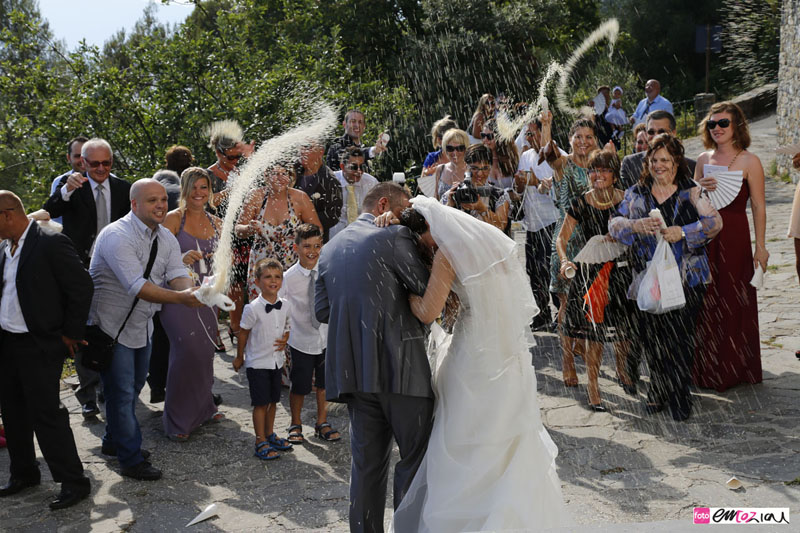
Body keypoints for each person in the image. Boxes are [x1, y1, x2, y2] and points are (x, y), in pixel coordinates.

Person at [390, 196, 570, 532]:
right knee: (504, 433)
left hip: (473, 353)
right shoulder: (487, 242)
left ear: (431, 227)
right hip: (508, 354)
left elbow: (430, 311)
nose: (424, 247)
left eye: (422, 239)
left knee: (463, 428)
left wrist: (408, 296)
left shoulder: (447, 253)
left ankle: (470, 516)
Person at [315, 182, 432, 532]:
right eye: (404, 210)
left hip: (354, 372)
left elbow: (323, 311)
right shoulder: (394, 236)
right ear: (384, 204)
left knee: (366, 467)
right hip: (403, 369)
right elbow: (427, 289)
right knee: (415, 460)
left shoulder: (329, 248)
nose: (407, 219)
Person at [89, 179, 203, 480]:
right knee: (122, 393)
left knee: (133, 388)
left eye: (163, 199)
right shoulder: (116, 236)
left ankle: (114, 442)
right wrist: (182, 298)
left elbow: (177, 274)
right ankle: (131, 458)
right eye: (152, 200)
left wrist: (194, 292)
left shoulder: (165, 236)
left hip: (142, 325)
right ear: (134, 204)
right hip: (110, 328)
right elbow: (136, 286)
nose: (160, 205)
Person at [609, 134, 722, 421]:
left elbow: (714, 223)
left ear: (677, 163)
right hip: (649, 278)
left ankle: (680, 395)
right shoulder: (637, 192)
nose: (660, 166)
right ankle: (658, 390)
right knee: (652, 338)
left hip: (687, 279)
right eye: (655, 160)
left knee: (681, 339)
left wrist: (683, 232)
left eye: (666, 161)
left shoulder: (690, 190)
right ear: (647, 162)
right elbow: (615, 225)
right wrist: (636, 225)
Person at [0, 191, 92, 510]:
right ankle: (24, 473)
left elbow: (81, 287)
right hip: (8, 343)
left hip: (39, 343)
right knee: (12, 411)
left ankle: (73, 481)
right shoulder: (4, 247)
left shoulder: (49, 242)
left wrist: (71, 333)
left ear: (8, 215)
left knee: (46, 414)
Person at [44, 137, 132, 419]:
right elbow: (51, 209)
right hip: (80, 267)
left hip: (115, 267)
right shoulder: (71, 186)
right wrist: (66, 192)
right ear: (82, 163)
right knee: (82, 329)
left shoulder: (123, 188)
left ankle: (110, 385)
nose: (101, 168)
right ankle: (87, 394)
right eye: (95, 164)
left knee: (111, 326)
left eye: (106, 163)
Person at [692, 101, 767, 392]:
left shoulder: (750, 161)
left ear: (737, 125)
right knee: (707, 299)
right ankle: (708, 368)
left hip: (735, 236)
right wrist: (700, 187)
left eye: (723, 123)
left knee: (734, 298)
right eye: (712, 124)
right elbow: (690, 196)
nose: (717, 129)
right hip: (706, 236)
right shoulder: (702, 158)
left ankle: (736, 367)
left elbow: (759, 206)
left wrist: (761, 247)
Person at [555, 150, 637, 411]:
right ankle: (593, 387)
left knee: (623, 330)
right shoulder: (581, 202)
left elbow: (639, 229)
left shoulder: (626, 200)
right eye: (593, 170)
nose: (598, 175)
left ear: (614, 175)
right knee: (595, 334)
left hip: (621, 269)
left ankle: (623, 372)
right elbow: (561, 238)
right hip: (592, 272)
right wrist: (565, 260)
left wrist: (626, 233)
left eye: (604, 170)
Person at [160, 168, 224, 441]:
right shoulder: (173, 219)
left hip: (208, 296)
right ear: (184, 190)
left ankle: (204, 408)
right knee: (185, 352)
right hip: (178, 296)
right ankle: (176, 419)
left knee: (205, 353)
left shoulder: (217, 222)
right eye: (194, 187)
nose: (199, 193)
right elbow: (157, 256)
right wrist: (181, 257)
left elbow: (225, 260)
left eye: (204, 187)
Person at [538, 118, 598, 374]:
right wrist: (547, 125)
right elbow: (547, 151)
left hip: (593, 239)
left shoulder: (600, 165)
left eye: (588, 137)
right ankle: (567, 361)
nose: (583, 141)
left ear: (595, 140)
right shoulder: (563, 164)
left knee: (588, 301)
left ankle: (581, 344)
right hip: (566, 239)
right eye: (578, 137)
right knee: (565, 303)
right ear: (570, 140)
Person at [280, 224, 340, 445]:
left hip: (325, 338)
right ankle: (295, 423)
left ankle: (322, 422)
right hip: (301, 340)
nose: (312, 251)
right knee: (299, 385)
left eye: (317, 245)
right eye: (306, 246)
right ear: (296, 247)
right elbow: (280, 306)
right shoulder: (288, 278)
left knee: (324, 385)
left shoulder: (328, 270)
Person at [232, 258, 293, 461]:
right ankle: (259, 440)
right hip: (258, 363)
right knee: (260, 403)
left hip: (276, 361)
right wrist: (239, 356)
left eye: (277, 277)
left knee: (273, 401)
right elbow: (243, 333)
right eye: (267, 277)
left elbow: (287, 326)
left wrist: (285, 338)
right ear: (257, 281)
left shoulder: (285, 305)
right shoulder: (253, 308)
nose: (273, 281)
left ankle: (269, 433)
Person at [237, 162, 322, 298]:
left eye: (284, 174)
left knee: (292, 307)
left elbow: (318, 229)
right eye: (275, 174)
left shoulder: (300, 197)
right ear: (266, 176)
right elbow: (238, 229)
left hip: (292, 262)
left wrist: (303, 235)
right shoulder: (256, 196)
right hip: (262, 264)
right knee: (262, 308)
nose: (280, 178)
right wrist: (249, 228)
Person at [205, 119, 254, 343]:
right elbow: (208, 202)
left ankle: (235, 326)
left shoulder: (241, 168)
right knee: (217, 281)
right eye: (231, 157)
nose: (235, 161)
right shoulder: (208, 175)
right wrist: (232, 190)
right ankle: (213, 330)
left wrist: (249, 158)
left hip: (242, 234)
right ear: (218, 152)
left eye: (237, 156)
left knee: (238, 283)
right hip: (217, 235)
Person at [514, 111, 561, 330]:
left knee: (553, 270)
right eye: (527, 135)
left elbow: (557, 184)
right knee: (534, 271)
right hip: (532, 223)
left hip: (551, 221)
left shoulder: (556, 154)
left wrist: (534, 181)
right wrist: (520, 183)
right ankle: (542, 314)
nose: (530, 138)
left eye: (534, 133)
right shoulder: (525, 156)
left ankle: (562, 314)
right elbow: (520, 188)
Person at [620, 111, 697, 190]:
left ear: (673, 133)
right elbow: (621, 196)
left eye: (661, 132)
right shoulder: (630, 163)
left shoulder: (691, 167)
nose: (656, 136)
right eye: (651, 132)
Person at [443, 144, 509, 232]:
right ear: (466, 167)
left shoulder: (499, 195)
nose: (480, 174)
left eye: (485, 168)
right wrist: (450, 205)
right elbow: (441, 228)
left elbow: (501, 226)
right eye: (474, 168)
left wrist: (482, 209)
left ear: (490, 168)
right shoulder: (453, 193)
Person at [293, 142, 343, 242]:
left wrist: (303, 221)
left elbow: (333, 215)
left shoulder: (330, 181)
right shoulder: (293, 170)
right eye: (301, 147)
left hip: (312, 242)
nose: (302, 151)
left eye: (307, 147)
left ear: (321, 151)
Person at [329, 146, 378, 239]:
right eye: (354, 167)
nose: (359, 171)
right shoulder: (330, 182)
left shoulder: (371, 183)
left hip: (362, 235)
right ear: (342, 167)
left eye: (362, 167)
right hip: (335, 237)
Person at [48, 136, 88, 223]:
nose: (82, 161)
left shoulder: (109, 180)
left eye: (85, 156)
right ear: (69, 158)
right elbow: (53, 215)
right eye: (77, 156)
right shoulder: (59, 181)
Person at [480, 119, 519, 190]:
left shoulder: (512, 159)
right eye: (483, 135)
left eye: (490, 136)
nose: (485, 140)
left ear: (501, 138)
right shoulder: (481, 158)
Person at [433, 128, 469, 201]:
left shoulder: (472, 170)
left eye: (459, 148)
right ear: (445, 149)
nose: (455, 152)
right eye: (450, 148)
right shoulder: (440, 169)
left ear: (465, 149)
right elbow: (436, 198)